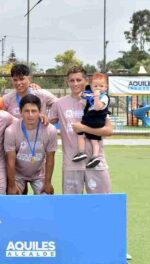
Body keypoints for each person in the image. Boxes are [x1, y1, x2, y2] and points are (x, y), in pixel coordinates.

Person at [48, 66, 112, 194]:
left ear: (86, 81)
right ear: (67, 82)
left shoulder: (97, 102)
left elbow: (108, 131)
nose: (75, 83)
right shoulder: (59, 104)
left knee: (102, 206)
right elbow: (46, 121)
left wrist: (84, 128)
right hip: (71, 165)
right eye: (72, 80)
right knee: (71, 207)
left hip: (96, 163)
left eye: (78, 80)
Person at [4, 94, 57, 195]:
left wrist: (47, 183)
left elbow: (50, 158)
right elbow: (10, 161)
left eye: (34, 111)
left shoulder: (50, 130)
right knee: (13, 197)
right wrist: (11, 185)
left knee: (46, 196)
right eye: (26, 111)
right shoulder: (11, 131)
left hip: (38, 174)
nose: (30, 115)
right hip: (18, 175)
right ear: (20, 112)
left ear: (40, 112)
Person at [72, 73, 110, 168]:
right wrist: (84, 95)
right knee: (94, 140)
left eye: (101, 86)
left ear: (106, 87)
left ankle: (81, 152)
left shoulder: (104, 97)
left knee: (80, 133)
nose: (98, 88)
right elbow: (82, 97)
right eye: (95, 86)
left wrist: (96, 97)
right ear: (92, 86)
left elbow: (98, 107)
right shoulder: (91, 94)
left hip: (94, 119)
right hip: (93, 119)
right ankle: (95, 157)